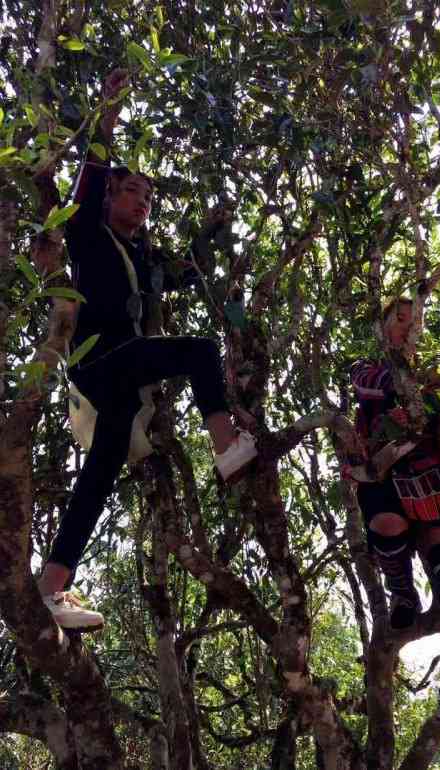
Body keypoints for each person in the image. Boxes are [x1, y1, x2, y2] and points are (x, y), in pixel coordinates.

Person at [37, 69, 257, 632]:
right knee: (199, 351)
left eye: (149, 197)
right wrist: (107, 113)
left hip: (118, 382)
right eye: (133, 191)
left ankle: (49, 587)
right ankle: (226, 444)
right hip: (99, 364)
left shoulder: (144, 260)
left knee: (100, 475)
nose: (143, 203)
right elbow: (88, 179)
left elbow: (188, 270)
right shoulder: (89, 235)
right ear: (112, 195)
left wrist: (217, 230)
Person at [348, 297, 440, 698]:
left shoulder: (435, 375)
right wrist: (412, 390)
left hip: (429, 473)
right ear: (381, 328)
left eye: (413, 322)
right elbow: (371, 385)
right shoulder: (366, 369)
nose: (406, 327)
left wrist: (436, 394)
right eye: (398, 319)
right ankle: (403, 592)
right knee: (387, 524)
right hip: (383, 473)